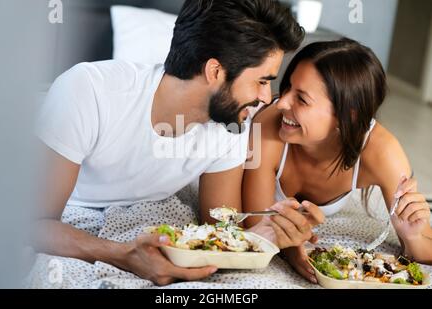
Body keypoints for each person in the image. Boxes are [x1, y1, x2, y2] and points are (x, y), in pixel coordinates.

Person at [33, 0, 314, 286]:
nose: (267, 98)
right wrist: (124, 255)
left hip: (154, 221)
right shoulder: (90, 90)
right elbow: (34, 226)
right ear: (215, 72)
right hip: (74, 218)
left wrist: (266, 234)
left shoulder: (232, 123)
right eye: (262, 81)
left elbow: (221, 228)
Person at [242, 39, 432, 284]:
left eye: (302, 99)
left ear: (348, 115)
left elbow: (424, 249)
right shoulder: (268, 124)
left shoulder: (382, 152)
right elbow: (255, 222)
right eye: (287, 87)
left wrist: (412, 237)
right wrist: (290, 251)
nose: (282, 102)